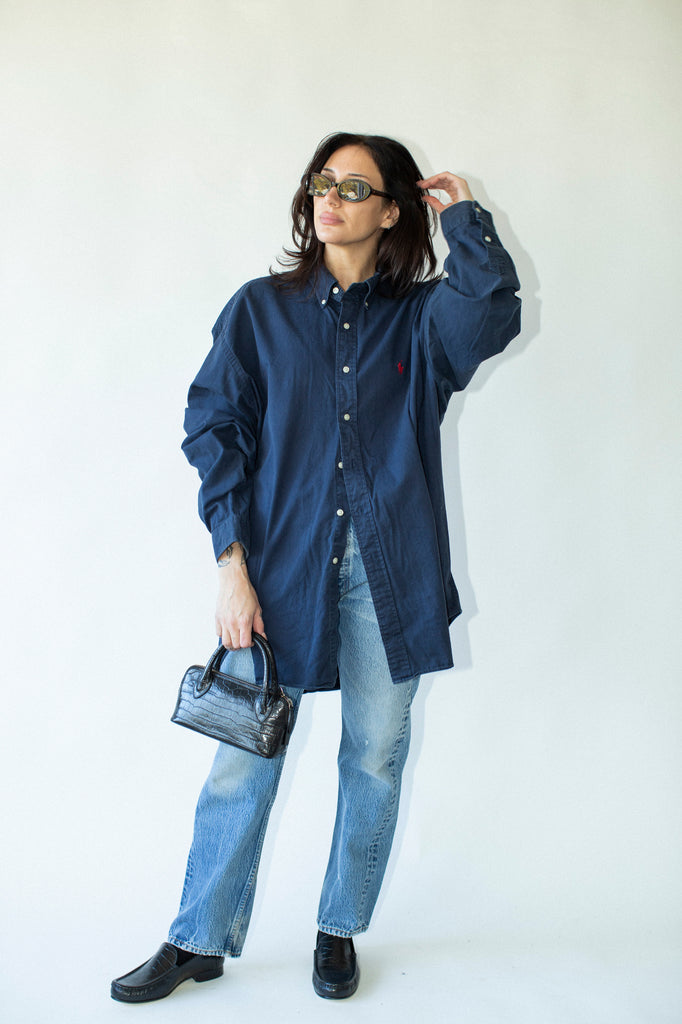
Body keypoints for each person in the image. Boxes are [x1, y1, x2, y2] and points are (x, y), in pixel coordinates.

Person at [110, 131, 521, 1003]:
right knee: (242, 754)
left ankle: (338, 932)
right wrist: (231, 564)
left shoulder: (422, 321)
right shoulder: (260, 311)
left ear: (390, 209)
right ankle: (198, 938)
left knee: (372, 756)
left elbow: (491, 308)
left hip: (393, 573)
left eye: (355, 185)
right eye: (322, 181)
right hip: (279, 571)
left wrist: (465, 219)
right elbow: (212, 429)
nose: (330, 196)